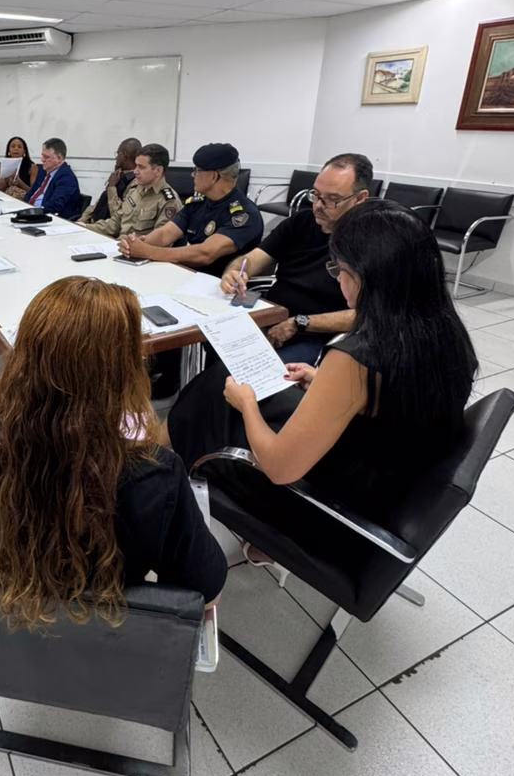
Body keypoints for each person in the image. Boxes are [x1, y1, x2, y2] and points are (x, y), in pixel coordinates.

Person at [168, 201, 478, 555]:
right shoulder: (445, 332)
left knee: (212, 400)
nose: (338, 280)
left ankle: (164, 468)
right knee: (241, 392)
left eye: (339, 270)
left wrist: (247, 404)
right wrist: (322, 380)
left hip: (331, 510)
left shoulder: (357, 356)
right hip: (392, 484)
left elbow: (279, 469)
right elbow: (402, 399)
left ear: (367, 276)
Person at [0, 276, 227, 629]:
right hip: (96, 642)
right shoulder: (153, 476)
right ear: (123, 372)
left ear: (22, 354)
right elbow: (205, 595)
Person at [221, 152, 374, 365]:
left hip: (319, 335)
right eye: (316, 194)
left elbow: (370, 315)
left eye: (332, 200)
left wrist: (300, 323)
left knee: (258, 370)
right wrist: (236, 272)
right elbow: (253, 259)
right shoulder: (300, 222)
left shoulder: (373, 242)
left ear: (360, 199)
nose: (318, 205)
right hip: (271, 317)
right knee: (217, 342)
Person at [118, 143, 262, 276]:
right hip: (184, 275)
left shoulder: (244, 215)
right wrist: (136, 244)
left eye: (197, 170)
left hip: (216, 285)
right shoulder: (198, 203)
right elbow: (165, 234)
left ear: (214, 176)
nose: (192, 175)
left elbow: (205, 254)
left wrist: (148, 251)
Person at [85, 143, 182, 239]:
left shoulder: (169, 201)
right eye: (136, 166)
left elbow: (159, 240)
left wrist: (127, 245)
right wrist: (84, 227)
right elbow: (115, 223)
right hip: (117, 243)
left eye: (141, 167)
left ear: (158, 171)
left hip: (134, 248)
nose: (135, 171)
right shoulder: (135, 190)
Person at [80, 137, 141, 224]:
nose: (116, 157)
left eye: (118, 153)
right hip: (93, 223)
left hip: (106, 227)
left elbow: (118, 215)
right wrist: (82, 220)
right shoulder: (117, 175)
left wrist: (112, 187)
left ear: (125, 155)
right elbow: (100, 202)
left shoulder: (135, 182)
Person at [24, 137, 83, 219]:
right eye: (42, 155)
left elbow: (55, 205)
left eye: (46, 157)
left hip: (51, 218)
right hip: (32, 212)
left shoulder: (66, 178)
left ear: (59, 158)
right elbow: (30, 194)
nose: (42, 160)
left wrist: (34, 212)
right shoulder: (44, 171)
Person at [0, 136, 38, 200]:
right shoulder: (2, 165)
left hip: (24, 198)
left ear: (24, 151)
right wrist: (6, 178)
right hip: (6, 197)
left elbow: (34, 192)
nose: (16, 149)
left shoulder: (32, 167)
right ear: (8, 150)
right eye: (13, 146)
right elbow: (0, 189)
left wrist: (19, 182)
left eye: (19, 147)